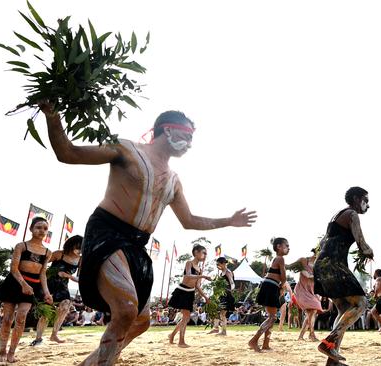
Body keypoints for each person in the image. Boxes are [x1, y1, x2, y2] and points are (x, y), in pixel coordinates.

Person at [40, 104, 257, 365]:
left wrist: (229, 221)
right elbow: (68, 153)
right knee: (126, 309)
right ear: (168, 130)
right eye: (187, 137)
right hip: (108, 233)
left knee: (141, 321)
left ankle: (95, 361)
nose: (189, 144)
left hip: (137, 245)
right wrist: (52, 115)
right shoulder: (126, 149)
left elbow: (188, 221)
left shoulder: (174, 180)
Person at [313, 187, 374, 365]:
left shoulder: (336, 215)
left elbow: (323, 242)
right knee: (361, 304)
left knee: (344, 308)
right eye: (365, 200)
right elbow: (362, 243)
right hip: (333, 264)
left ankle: (332, 361)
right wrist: (369, 252)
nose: (368, 205)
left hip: (322, 265)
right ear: (356, 199)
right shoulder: (351, 214)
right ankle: (329, 342)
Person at [0, 217, 53, 363]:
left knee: (21, 318)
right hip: (14, 283)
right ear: (31, 229)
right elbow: (13, 268)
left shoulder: (47, 252)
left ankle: (11, 353)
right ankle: (2, 351)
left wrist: (46, 292)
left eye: (45, 228)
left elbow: (43, 273)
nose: (42, 231)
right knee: (7, 319)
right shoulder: (22, 246)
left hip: (33, 285)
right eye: (38, 227)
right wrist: (23, 284)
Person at [32, 235, 83, 345]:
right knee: (46, 313)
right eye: (78, 247)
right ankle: (38, 338)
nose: (80, 251)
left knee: (66, 306)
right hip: (48, 285)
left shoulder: (80, 260)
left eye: (82, 248)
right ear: (71, 245)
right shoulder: (59, 254)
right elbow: (41, 265)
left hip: (63, 286)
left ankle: (54, 334)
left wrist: (67, 275)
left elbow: (81, 279)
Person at [248, 237, 289, 352]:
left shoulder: (277, 259)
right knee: (272, 317)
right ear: (278, 247)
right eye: (286, 246)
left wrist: (281, 285)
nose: (288, 248)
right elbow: (284, 277)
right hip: (271, 286)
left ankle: (265, 344)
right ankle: (254, 341)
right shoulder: (280, 258)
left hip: (270, 285)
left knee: (272, 316)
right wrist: (282, 284)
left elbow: (281, 278)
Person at [168, 244, 211, 347]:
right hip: (182, 291)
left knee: (186, 318)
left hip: (190, 293)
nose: (205, 255)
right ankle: (181, 342)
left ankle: (172, 335)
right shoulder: (189, 263)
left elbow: (197, 285)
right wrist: (203, 276)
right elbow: (188, 275)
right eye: (203, 253)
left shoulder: (200, 269)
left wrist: (205, 297)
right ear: (196, 252)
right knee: (186, 317)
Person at [290, 249, 323, 341]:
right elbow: (308, 276)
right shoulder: (304, 261)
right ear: (316, 252)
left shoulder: (319, 264)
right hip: (302, 290)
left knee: (312, 312)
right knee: (311, 312)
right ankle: (311, 334)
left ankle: (302, 336)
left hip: (312, 291)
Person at [212, 256, 236, 336]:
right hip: (222, 295)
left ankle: (223, 331)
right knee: (216, 311)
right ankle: (216, 328)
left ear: (223, 264)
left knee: (222, 313)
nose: (217, 266)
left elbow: (232, 282)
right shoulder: (221, 273)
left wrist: (232, 289)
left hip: (227, 295)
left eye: (218, 264)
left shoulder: (228, 272)